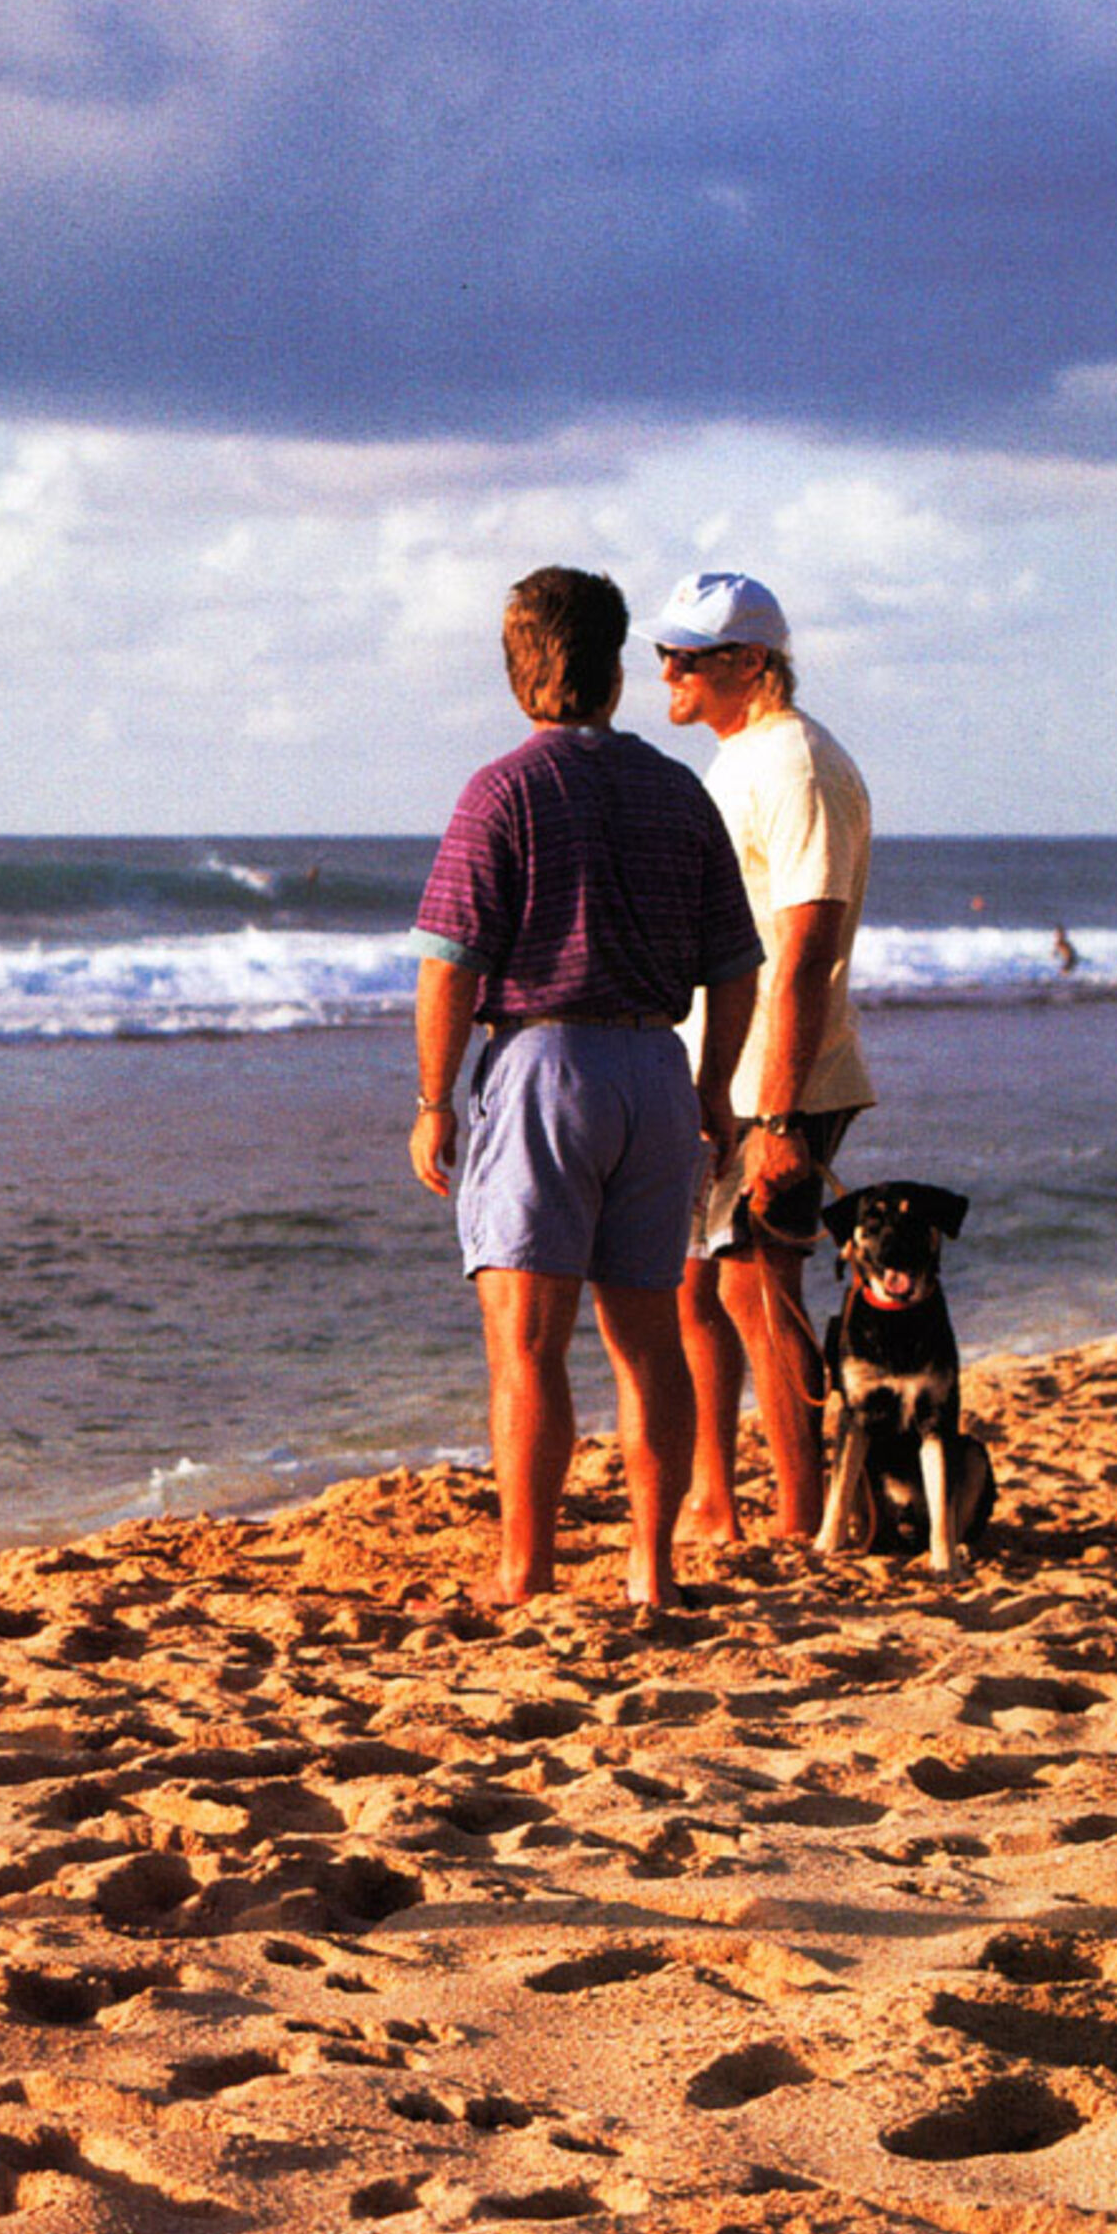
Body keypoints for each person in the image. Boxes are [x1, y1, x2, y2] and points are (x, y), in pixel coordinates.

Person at [409, 566, 762, 1610]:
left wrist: (433, 1099)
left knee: (528, 1343)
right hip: (655, 1067)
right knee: (649, 1339)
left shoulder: (502, 791)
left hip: (545, 1065)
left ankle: (527, 1569)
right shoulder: (677, 791)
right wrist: (714, 1084)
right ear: (614, 670)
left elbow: (450, 965)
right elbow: (736, 962)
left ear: (517, 669)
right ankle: (652, 1568)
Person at [647, 569, 875, 1544]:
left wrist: (780, 1116)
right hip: (719, 1067)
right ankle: (713, 1498)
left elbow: (807, 949)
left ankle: (801, 1513)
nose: (667, 671)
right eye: (663, 652)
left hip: (781, 1075)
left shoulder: (798, 764)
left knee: (756, 1286)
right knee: (693, 1286)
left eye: (686, 656)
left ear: (749, 661)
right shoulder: (739, 759)